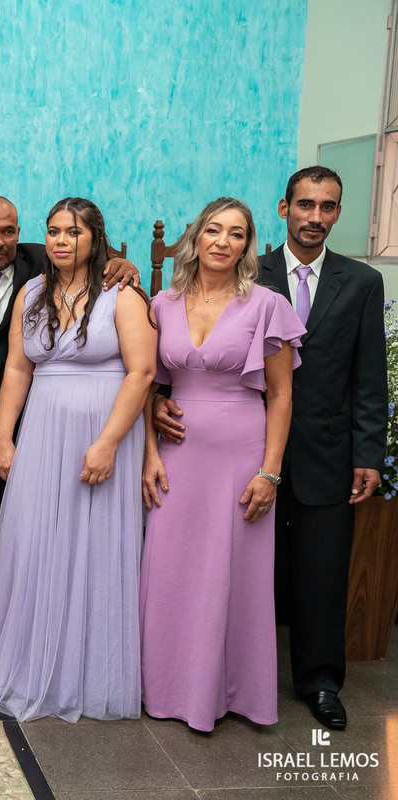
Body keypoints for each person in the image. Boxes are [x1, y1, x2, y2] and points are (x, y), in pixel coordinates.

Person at [154, 167, 386, 730]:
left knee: (322, 572)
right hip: (227, 447)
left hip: (318, 449)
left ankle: (322, 683)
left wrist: (368, 452)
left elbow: (369, 373)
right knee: (225, 571)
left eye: (327, 206)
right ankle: (199, 675)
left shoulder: (360, 282)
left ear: (337, 213)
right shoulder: (250, 274)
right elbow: (162, 360)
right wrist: (157, 401)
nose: (315, 216)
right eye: (305, 204)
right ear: (284, 209)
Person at [0, 195, 141, 661]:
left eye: (9, 231)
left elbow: (96, 252)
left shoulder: (42, 261)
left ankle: (0, 623)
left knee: (26, 532)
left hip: (38, 426)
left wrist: (123, 262)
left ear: (21, 233)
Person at [0, 197, 156, 721]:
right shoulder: (30, 290)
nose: (61, 241)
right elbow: (17, 369)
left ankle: (89, 674)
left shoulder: (122, 293)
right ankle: (30, 666)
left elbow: (141, 374)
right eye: (53, 231)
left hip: (101, 429)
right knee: (36, 542)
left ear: (96, 238)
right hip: (43, 430)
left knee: (92, 548)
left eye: (73, 232)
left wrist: (108, 443)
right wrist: (5, 438)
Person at [140, 198, 303, 731]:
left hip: (241, 453)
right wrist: (154, 417)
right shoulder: (162, 303)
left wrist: (270, 471)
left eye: (236, 234)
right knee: (169, 567)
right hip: (177, 455)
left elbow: (280, 395)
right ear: (196, 236)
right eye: (213, 230)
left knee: (235, 575)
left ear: (247, 246)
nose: (222, 241)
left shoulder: (266, 305)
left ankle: (233, 693)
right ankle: (164, 688)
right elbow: (146, 381)